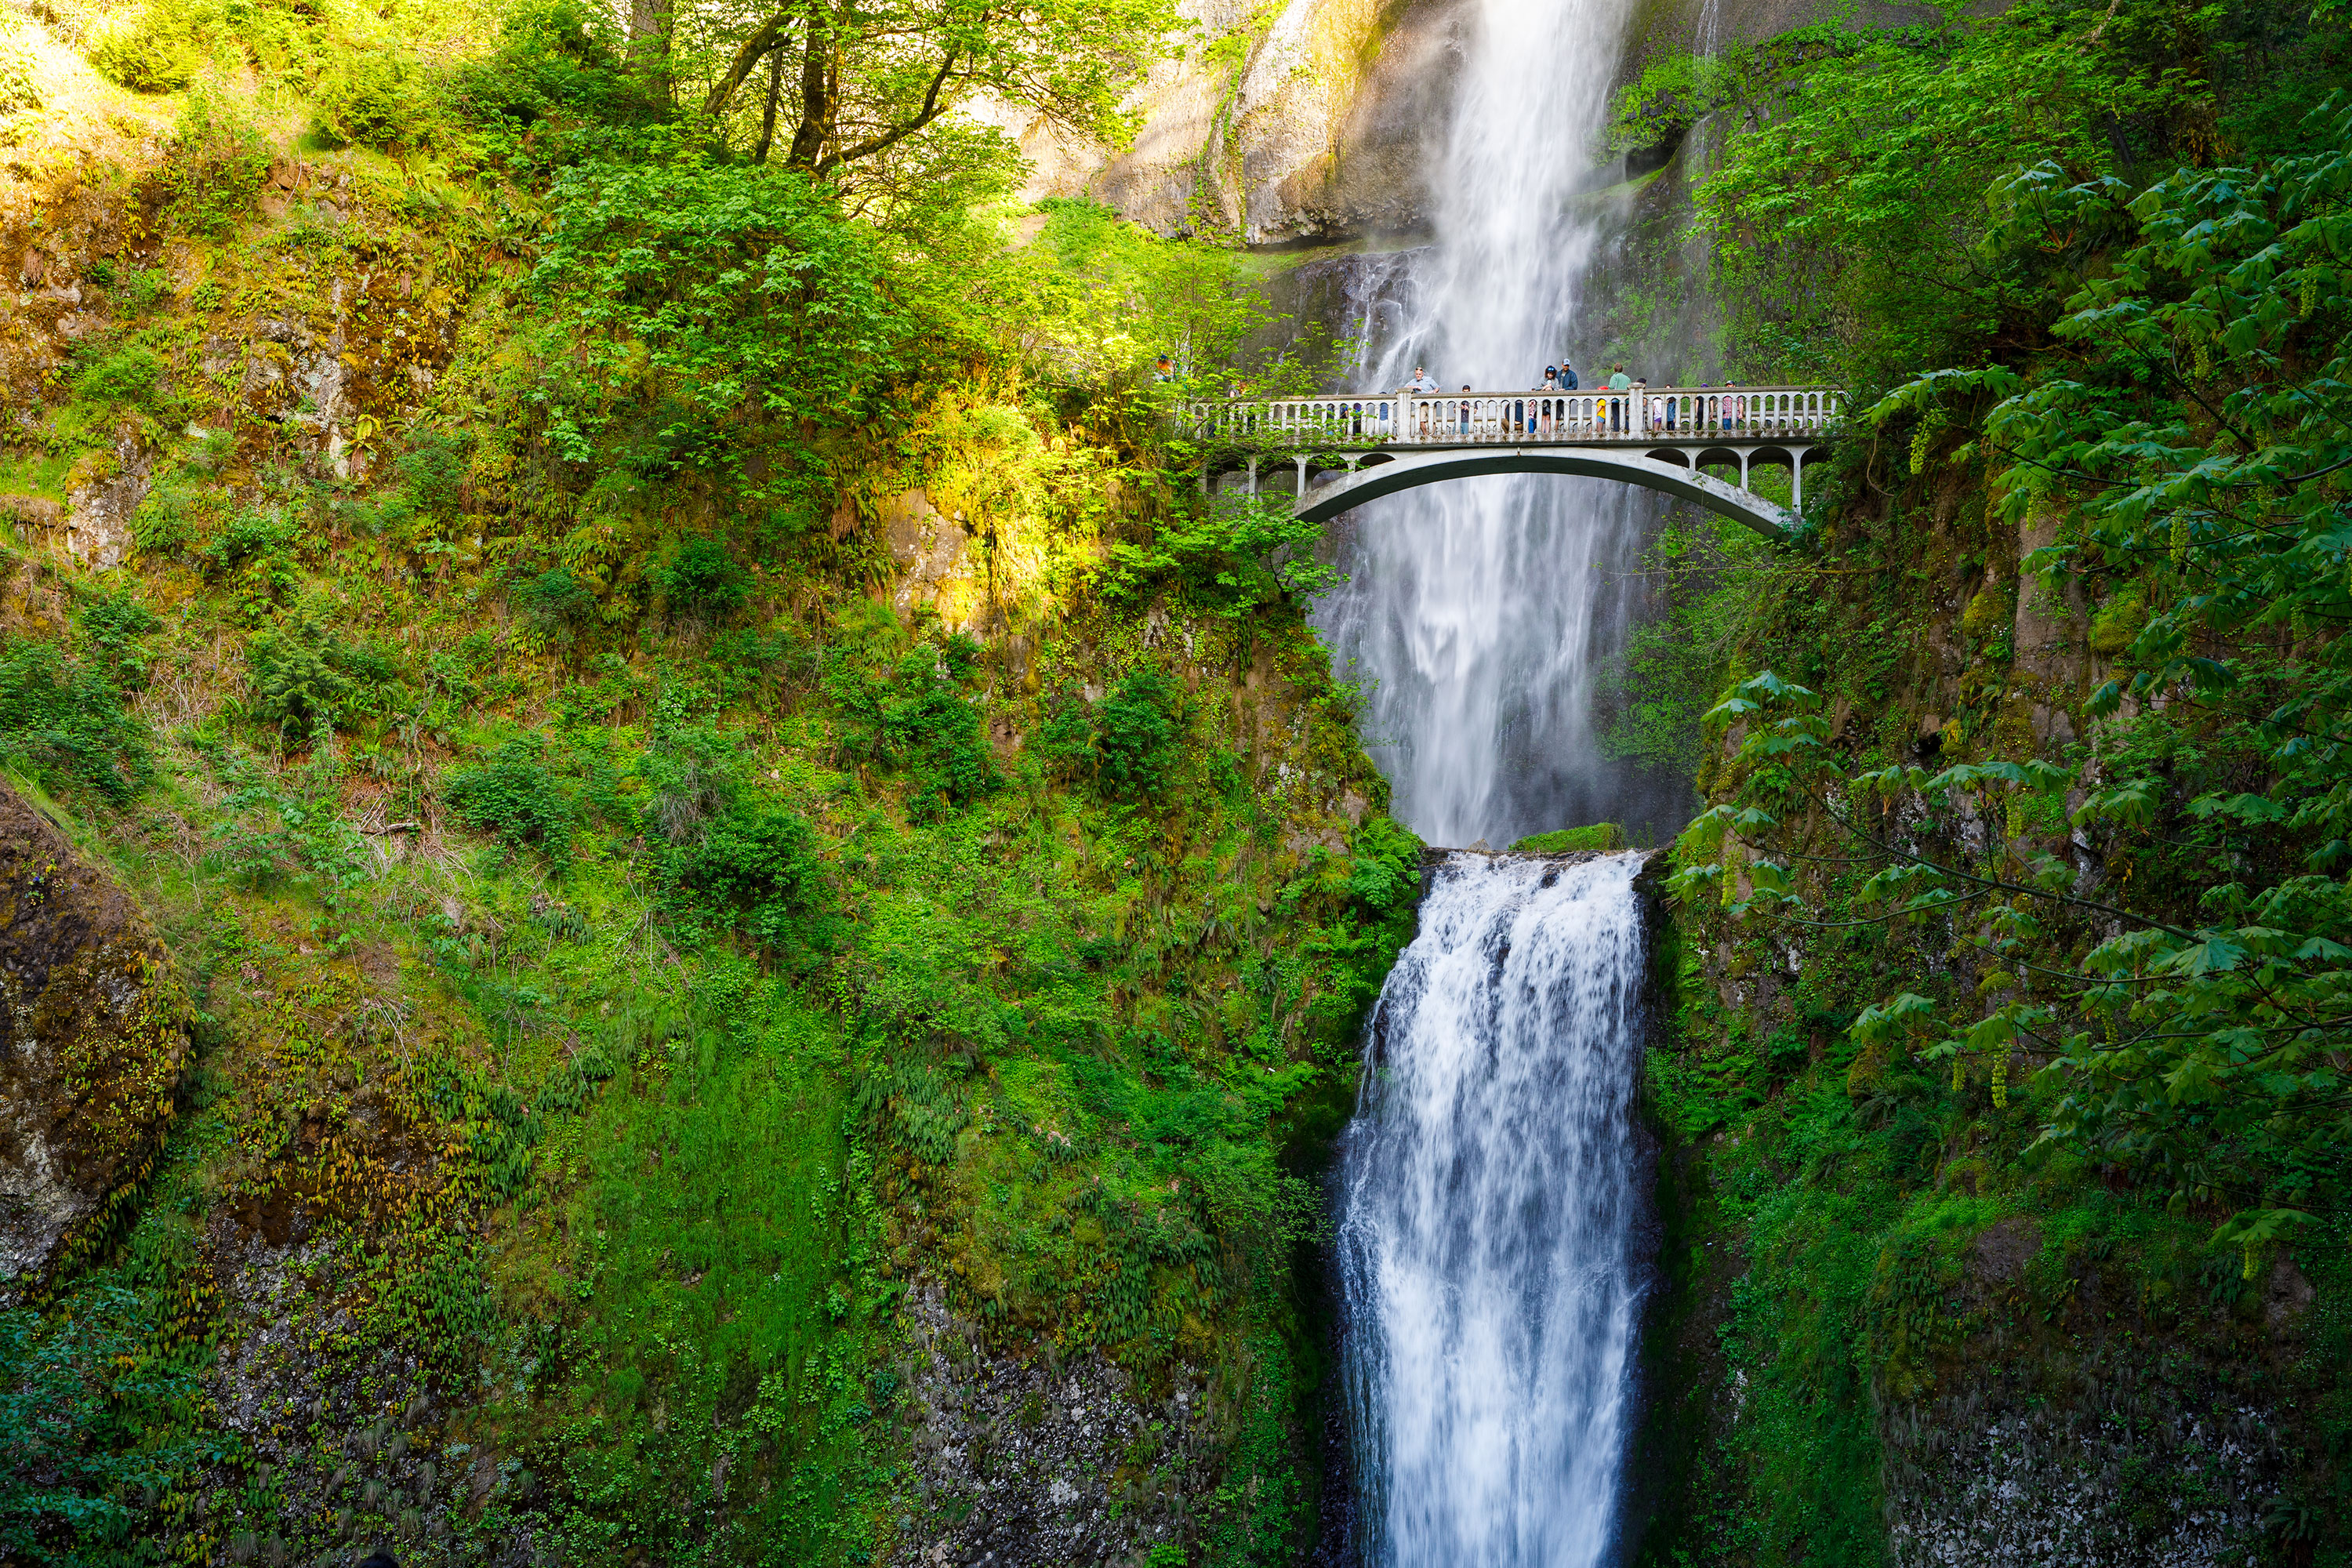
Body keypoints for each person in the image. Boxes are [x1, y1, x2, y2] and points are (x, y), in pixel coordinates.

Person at [1607, 363, 1632, 432]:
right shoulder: (1627, 378)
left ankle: (1616, 431)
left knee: (1616, 416)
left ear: (1614, 370)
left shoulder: (1615, 377)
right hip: (1625, 400)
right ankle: (1628, 429)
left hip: (1616, 400)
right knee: (1623, 416)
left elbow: (1611, 387)